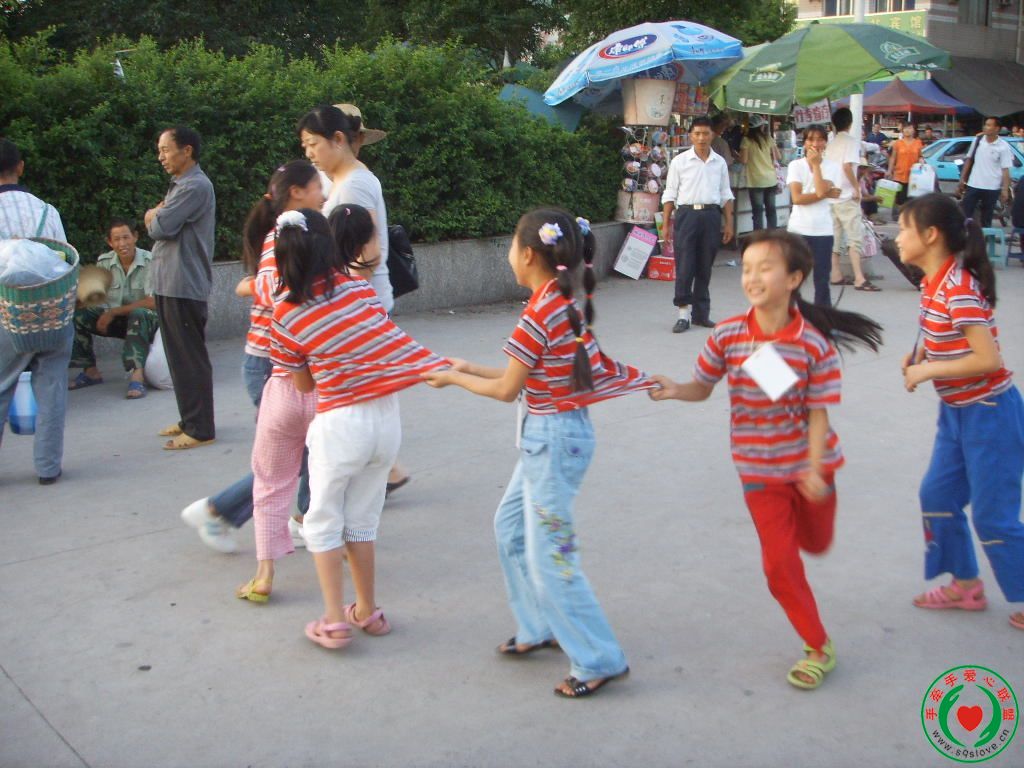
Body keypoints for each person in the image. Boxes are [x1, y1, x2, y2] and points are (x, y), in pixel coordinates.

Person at [423, 209, 651, 698]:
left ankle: (598, 659)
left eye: (511, 246)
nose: (509, 255)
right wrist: (468, 367)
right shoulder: (559, 300)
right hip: (551, 438)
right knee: (510, 530)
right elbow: (522, 376)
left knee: (551, 558)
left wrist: (454, 378)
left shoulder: (539, 312)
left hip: (552, 442)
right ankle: (540, 626)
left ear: (527, 254)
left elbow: (508, 389)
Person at [650, 229, 882, 689]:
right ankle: (818, 646)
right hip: (758, 472)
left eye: (765, 268)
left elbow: (819, 414)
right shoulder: (728, 335)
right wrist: (676, 389)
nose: (752, 277)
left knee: (815, 543)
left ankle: (811, 523)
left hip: (812, 468)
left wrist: (813, 468)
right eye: (747, 269)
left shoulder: (814, 343)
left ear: (794, 278)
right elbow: (702, 387)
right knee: (779, 565)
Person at [271, 208, 447, 648]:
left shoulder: (286, 314)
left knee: (323, 520)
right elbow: (384, 345)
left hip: (339, 425)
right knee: (363, 520)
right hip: (386, 423)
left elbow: (303, 383)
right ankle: (367, 610)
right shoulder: (360, 290)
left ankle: (334, 619)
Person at [896, 193, 1024, 633]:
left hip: (990, 414)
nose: (898, 237)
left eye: (904, 229)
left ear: (931, 236)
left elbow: (987, 359)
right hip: (957, 413)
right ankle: (966, 586)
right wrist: (919, 355)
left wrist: (928, 369)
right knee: (937, 496)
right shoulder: (933, 283)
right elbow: (943, 335)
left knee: (994, 517)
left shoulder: (959, 289)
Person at [180, 160, 323, 554]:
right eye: (317, 187)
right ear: (296, 193)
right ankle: (220, 511)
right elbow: (279, 288)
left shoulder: (292, 233)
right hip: (271, 364)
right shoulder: (282, 236)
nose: (323, 194)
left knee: (306, 449)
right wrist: (250, 287)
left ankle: (308, 520)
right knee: (293, 454)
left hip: (279, 361)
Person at [298, 104, 412, 494]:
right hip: (360, 304)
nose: (309, 153)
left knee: (351, 399)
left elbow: (366, 253)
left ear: (339, 140)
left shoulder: (354, 185)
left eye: (313, 144)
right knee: (362, 397)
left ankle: (366, 476)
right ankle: (384, 470)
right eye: (305, 146)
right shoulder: (341, 181)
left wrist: (341, 307)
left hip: (360, 306)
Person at [0, 137, 71, 484]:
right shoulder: (47, 211)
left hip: (7, 316)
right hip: (51, 312)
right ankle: (48, 469)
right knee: (52, 389)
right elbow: (65, 261)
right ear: (21, 167)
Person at [144, 126, 217, 450]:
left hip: (183, 283)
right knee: (178, 357)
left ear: (186, 150)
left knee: (190, 358)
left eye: (165, 149)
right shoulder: (181, 185)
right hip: (169, 282)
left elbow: (161, 226)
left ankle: (201, 428)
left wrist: (153, 214)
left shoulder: (195, 186)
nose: (161, 156)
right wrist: (159, 213)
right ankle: (190, 419)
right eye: (159, 150)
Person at [68, 218, 158, 399]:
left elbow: (153, 302)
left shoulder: (151, 260)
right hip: (116, 320)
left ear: (135, 237)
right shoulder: (105, 262)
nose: (122, 244)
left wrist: (113, 312)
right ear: (110, 242)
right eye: (116, 239)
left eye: (126, 237)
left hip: (147, 321)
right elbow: (94, 295)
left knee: (138, 313)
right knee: (77, 314)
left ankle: (137, 377)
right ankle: (90, 372)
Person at [661, 117, 735, 333]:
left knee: (705, 266)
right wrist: (666, 224)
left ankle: (701, 314)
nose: (702, 138)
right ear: (691, 136)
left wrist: (729, 223)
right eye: (697, 134)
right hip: (686, 216)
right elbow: (670, 193)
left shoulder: (719, 163)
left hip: (711, 215)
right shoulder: (680, 162)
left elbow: (725, 194)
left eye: (706, 134)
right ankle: (683, 315)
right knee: (685, 266)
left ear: (713, 135)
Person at [786, 125, 842, 308]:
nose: (815, 144)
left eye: (820, 139)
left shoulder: (832, 167)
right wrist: (826, 193)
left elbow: (819, 190)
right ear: (804, 142)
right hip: (798, 229)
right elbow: (797, 198)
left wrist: (816, 165)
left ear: (825, 142)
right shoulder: (795, 166)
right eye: (811, 139)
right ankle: (790, 314)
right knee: (793, 277)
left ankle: (822, 317)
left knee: (822, 279)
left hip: (823, 230)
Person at [825, 108, 879, 292]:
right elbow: (847, 166)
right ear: (850, 123)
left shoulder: (830, 143)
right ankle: (859, 278)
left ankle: (835, 274)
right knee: (854, 238)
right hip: (847, 197)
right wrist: (857, 188)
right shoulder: (851, 142)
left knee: (835, 238)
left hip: (832, 196)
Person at [958, 116, 1013, 229]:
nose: (985, 127)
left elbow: (1005, 169)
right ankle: (965, 235)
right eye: (985, 125)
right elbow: (969, 160)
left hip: (992, 187)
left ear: (997, 128)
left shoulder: (1003, 146)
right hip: (974, 184)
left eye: (989, 125)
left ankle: (985, 237)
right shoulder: (978, 140)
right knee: (965, 214)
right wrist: (962, 179)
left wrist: (1005, 189)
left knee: (986, 218)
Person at [739, 117, 780, 231]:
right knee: (771, 210)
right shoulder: (768, 138)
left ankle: (758, 237)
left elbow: (744, 160)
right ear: (761, 127)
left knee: (757, 211)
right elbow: (778, 156)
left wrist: (737, 156)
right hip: (771, 179)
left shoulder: (746, 140)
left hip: (756, 180)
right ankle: (773, 235)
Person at [886, 123, 923, 215]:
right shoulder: (898, 143)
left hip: (914, 176)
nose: (907, 130)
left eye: (909, 128)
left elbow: (920, 156)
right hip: (899, 174)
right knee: (900, 198)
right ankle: (899, 215)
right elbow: (893, 158)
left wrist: (921, 160)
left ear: (914, 130)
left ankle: (908, 216)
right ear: (902, 130)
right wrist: (889, 170)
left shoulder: (918, 143)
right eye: (905, 128)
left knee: (911, 198)